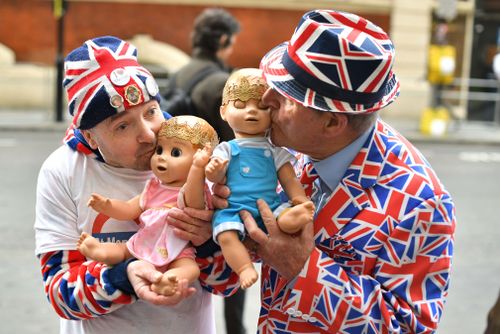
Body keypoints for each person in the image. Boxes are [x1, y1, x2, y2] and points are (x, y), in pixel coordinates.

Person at [233, 10, 456, 333]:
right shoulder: (288, 150)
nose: (267, 99)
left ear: (332, 123)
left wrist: (304, 267)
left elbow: (407, 328)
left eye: (288, 96)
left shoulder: (421, 201)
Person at [34, 36, 236, 334]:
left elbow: (229, 283)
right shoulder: (62, 170)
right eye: (123, 126)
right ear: (91, 137)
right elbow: (60, 294)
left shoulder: (198, 157)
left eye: (151, 112)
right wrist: (124, 276)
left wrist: (207, 243)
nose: (149, 135)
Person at [77, 116, 218, 296]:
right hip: (146, 241)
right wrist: (107, 205)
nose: (161, 158)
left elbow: (194, 204)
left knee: (190, 269)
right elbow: (129, 209)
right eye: (159, 150)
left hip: (179, 249)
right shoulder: (153, 188)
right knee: (123, 250)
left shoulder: (198, 190)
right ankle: (101, 251)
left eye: (175, 153)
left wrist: (197, 169)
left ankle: (169, 280)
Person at [205, 68, 315, 289]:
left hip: (270, 205)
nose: (252, 112)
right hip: (234, 209)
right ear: (224, 112)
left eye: (262, 106)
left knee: (283, 220)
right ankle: (244, 268)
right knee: (226, 235)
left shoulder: (275, 151)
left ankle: (296, 217)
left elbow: (289, 180)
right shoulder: (226, 149)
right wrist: (214, 169)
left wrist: (299, 199)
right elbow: (215, 178)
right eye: (240, 105)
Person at [171, 7, 240, 142]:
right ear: (223, 39)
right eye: (232, 44)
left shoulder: (177, 75)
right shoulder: (224, 83)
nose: (231, 50)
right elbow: (233, 142)